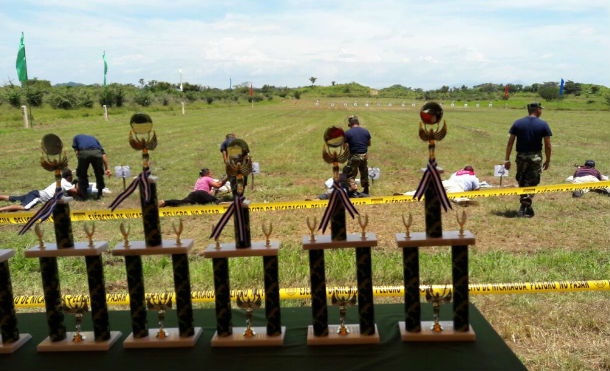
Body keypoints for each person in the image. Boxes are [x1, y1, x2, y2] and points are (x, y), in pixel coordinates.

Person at [504, 102, 552, 217]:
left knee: (522, 180)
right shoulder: (543, 124)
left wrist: (507, 159)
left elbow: (510, 142)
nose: (541, 111)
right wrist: (548, 160)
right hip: (535, 157)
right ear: (538, 110)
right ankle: (526, 205)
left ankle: (524, 204)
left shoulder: (518, 123)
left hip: (521, 157)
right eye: (541, 109)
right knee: (533, 181)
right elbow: (548, 145)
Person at [0, 168, 78, 212]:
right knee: (24, 207)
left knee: (14, 198)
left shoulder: (61, 180)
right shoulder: (66, 183)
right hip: (37, 196)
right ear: (68, 177)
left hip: (36, 193)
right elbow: (76, 192)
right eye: (71, 176)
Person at [159, 168, 227, 207]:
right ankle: (224, 205)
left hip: (193, 194)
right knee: (215, 200)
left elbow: (205, 191)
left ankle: (165, 202)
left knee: (181, 202)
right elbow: (218, 185)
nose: (212, 175)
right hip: (202, 193)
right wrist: (227, 178)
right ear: (207, 174)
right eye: (211, 173)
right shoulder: (207, 178)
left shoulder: (199, 179)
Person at [72, 134, 111, 200]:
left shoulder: (76, 137)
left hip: (83, 153)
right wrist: (107, 168)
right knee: (99, 174)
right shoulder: (94, 139)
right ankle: (100, 193)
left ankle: (84, 195)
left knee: (82, 174)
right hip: (97, 153)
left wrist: (82, 164)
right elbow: (103, 154)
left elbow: (77, 152)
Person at [344, 115, 371, 195]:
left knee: (350, 174)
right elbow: (369, 143)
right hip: (364, 156)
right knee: (364, 172)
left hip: (354, 156)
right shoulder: (366, 131)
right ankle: (366, 190)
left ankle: (353, 191)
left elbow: (344, 147)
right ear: (358, 123)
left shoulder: (347, 133)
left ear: (350, 124)